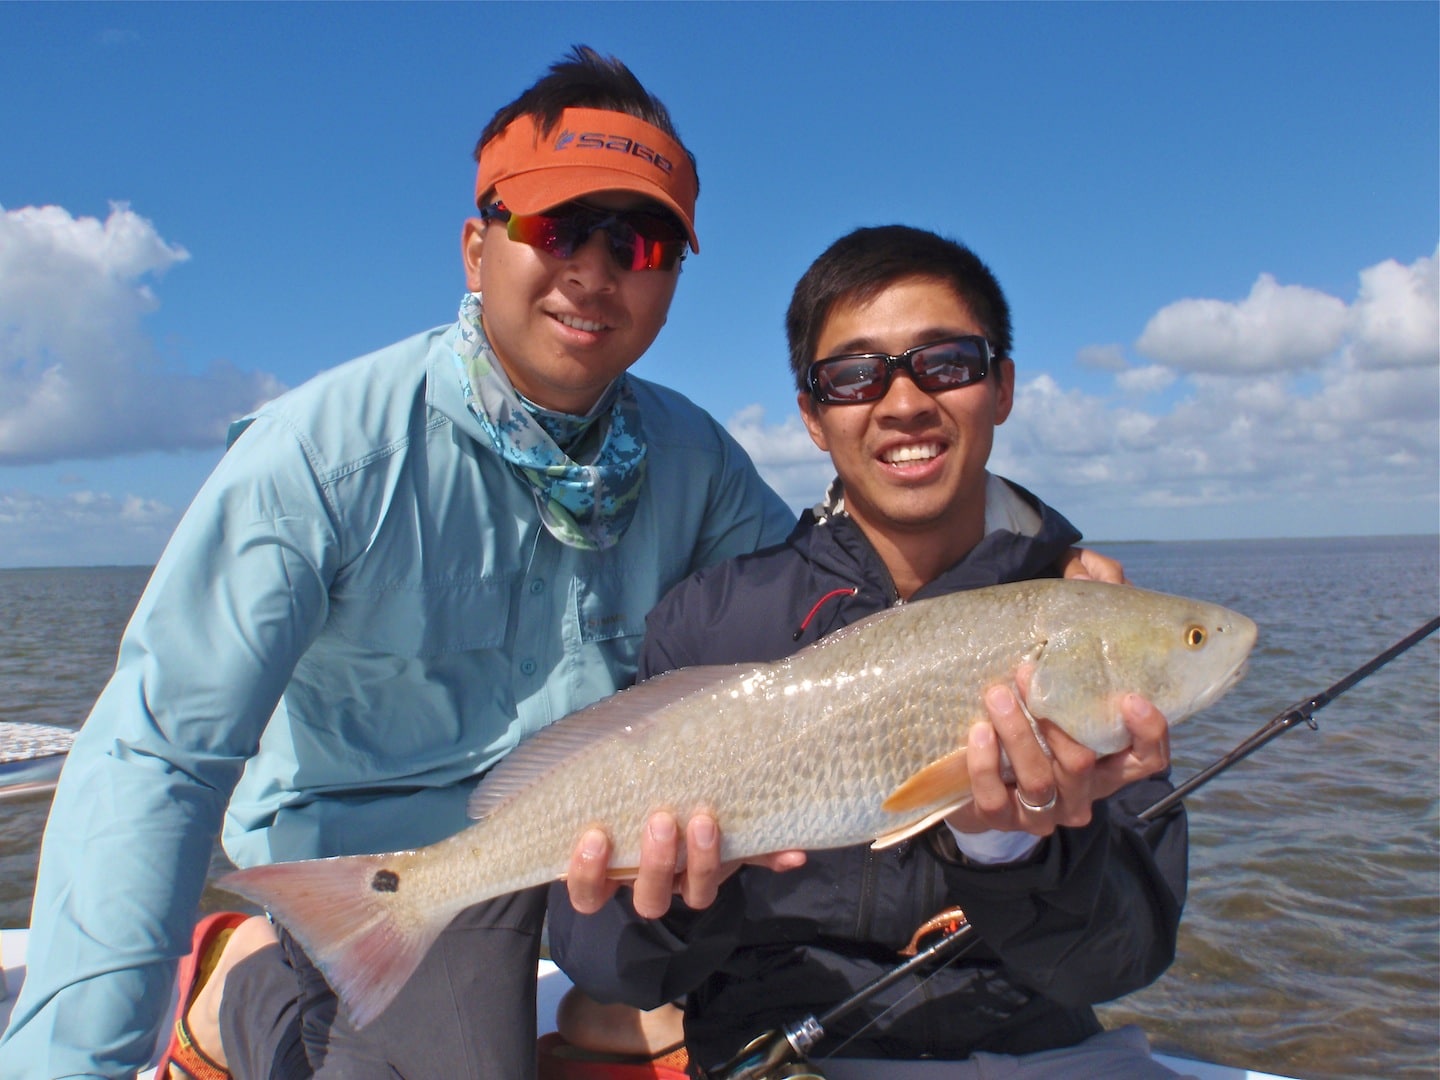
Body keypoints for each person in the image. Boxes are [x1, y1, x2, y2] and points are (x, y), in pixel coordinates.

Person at [0, 51, 1120, 1078]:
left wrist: (1050, 586)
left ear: (673, 275)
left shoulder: (697, 460)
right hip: (388, 872)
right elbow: (158, 751)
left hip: (592, 852)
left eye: (636, 241)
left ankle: (608, 1004)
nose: (594, 270)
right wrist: (77, 1061)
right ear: (476, 243)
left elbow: (837, 614)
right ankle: (239, 985)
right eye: (557, 224)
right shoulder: (325, 454)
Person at [549, 225, 1188, 1078]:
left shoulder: (1087, 621)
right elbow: (608, 962)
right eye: (852, 376)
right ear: (813, 418)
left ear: (1000, 388)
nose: (903, 402)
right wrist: (664, 907)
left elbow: (1122, 959)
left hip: (1038, 1048)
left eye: (947, 362)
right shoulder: (712, 621)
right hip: (777, 1051)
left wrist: (1009, 849)